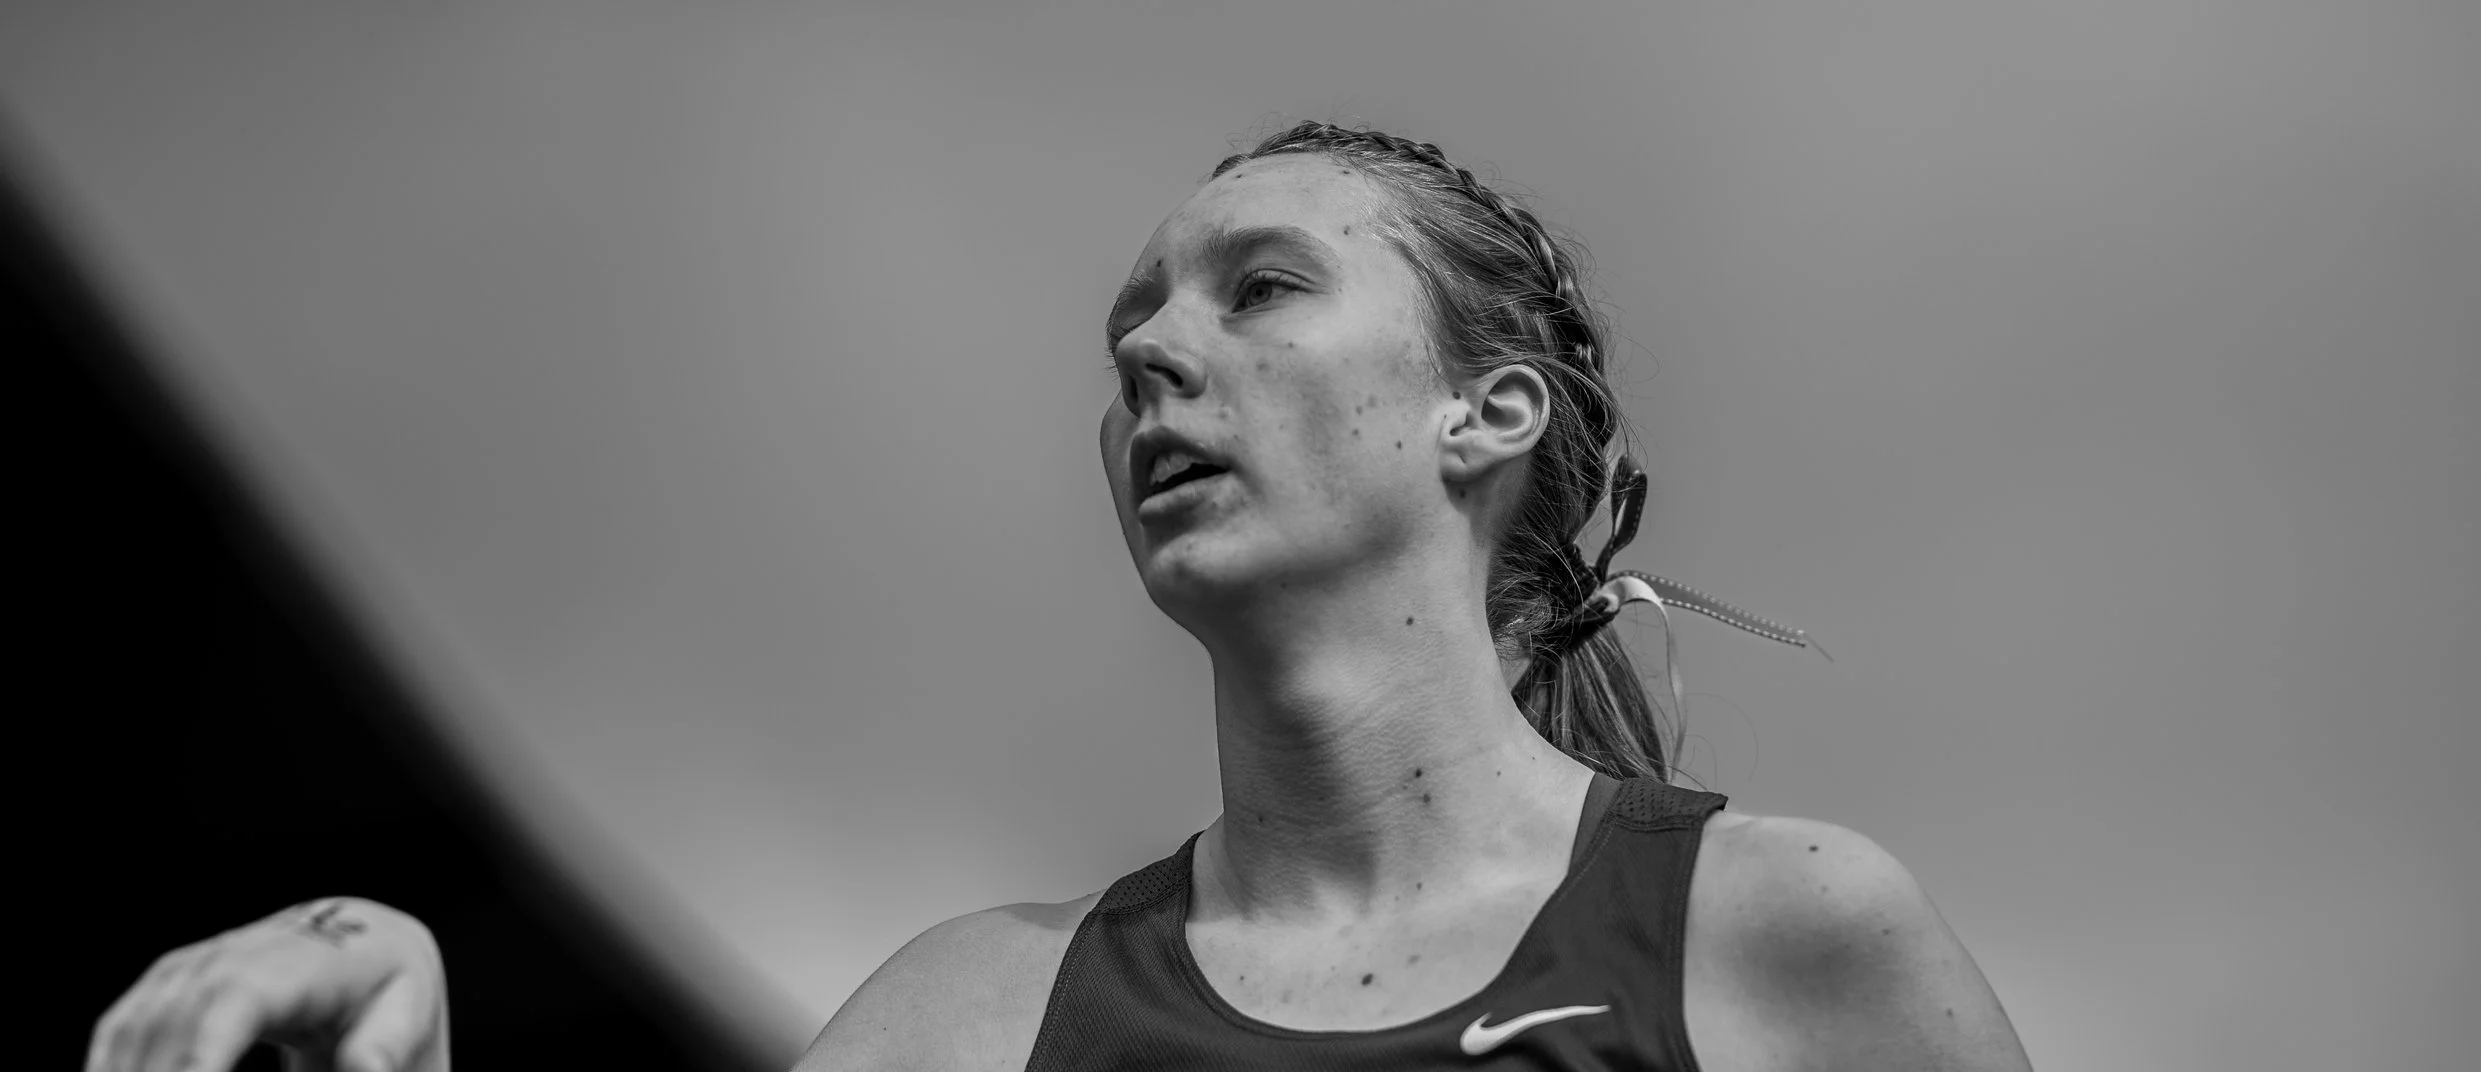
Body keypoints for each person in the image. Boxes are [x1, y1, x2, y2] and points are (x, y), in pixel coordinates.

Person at [87, 122, 2031, 1071]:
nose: (1152, 363)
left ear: (1484, 408)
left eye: (1257, 288)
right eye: (1129, 333)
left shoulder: (1779, 934)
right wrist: (401, 1023)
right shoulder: (962, 1012)